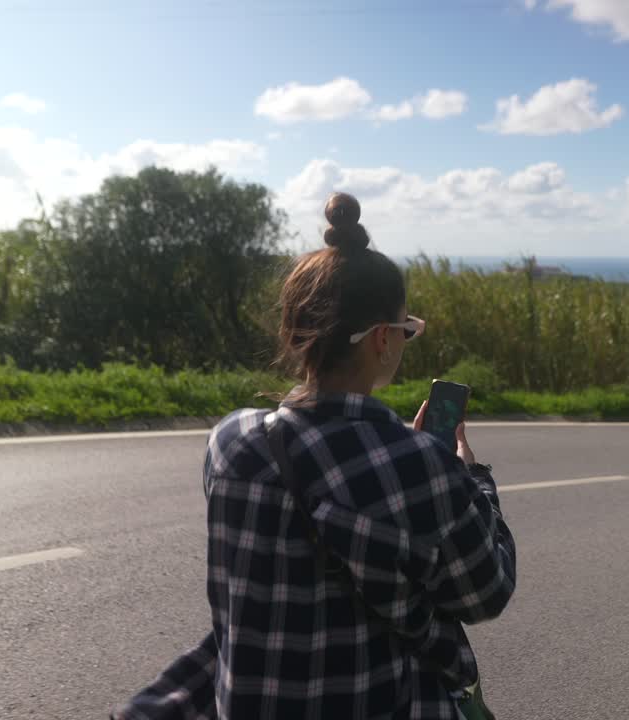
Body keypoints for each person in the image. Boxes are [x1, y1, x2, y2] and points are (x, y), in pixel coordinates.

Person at [113, 193, 517, 720]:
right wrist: (470, 477)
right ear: (380, 339)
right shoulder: (418, 465)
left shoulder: (230, 443)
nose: (403, 340)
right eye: (405, 330)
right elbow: (486, 593)